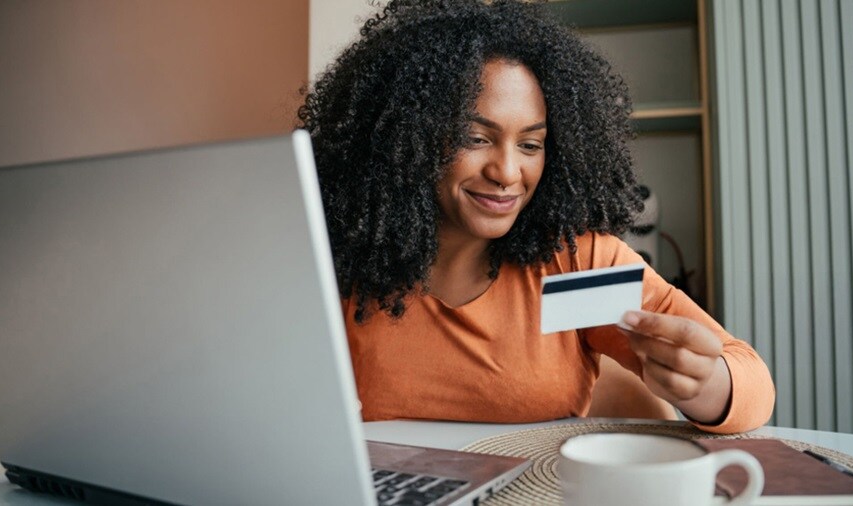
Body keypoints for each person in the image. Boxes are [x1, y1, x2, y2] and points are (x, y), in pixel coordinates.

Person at [298, 0, 775, 434]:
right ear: (408, 136)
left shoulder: (575, 264)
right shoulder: (340, 265)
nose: (508, 173)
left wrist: (706, 383)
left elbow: (752, 380)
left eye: (530, 145)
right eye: (475, 138)